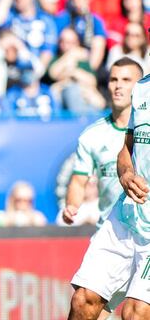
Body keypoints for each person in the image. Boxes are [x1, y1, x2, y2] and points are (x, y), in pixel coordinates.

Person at [68, 65, 150, 320]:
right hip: (126, 216)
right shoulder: (142, 88)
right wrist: (125, 173)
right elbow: (127, 147)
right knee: (83, 300)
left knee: (135, 313)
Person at [64, 58, 143, 228]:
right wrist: (72, 206)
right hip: (109, 230)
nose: (118, 86)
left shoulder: (146, 130)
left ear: (141, 87)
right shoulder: (92, 135)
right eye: (114, 80)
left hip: (145, 232)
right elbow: (79, 181)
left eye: (126, 80)